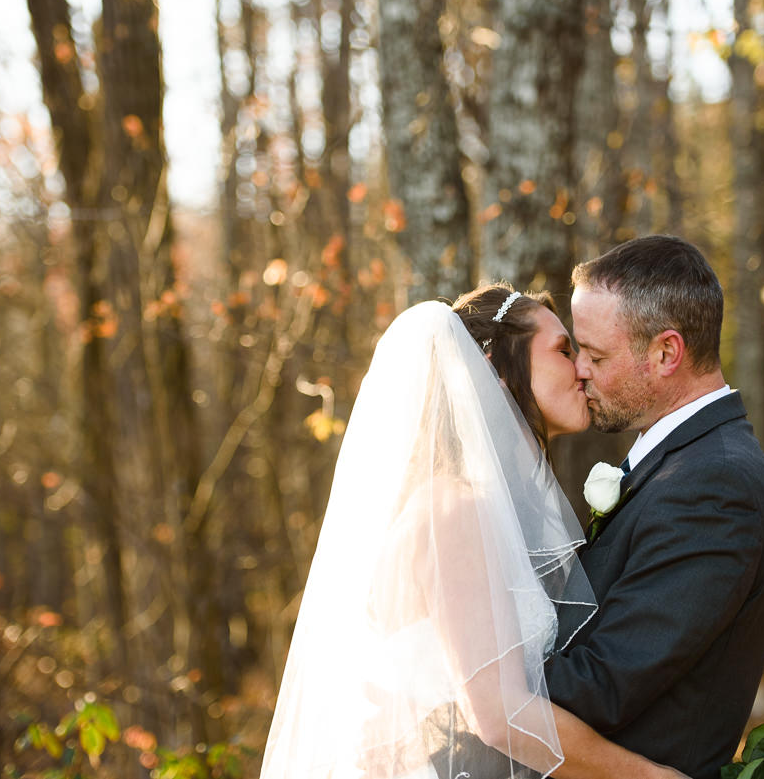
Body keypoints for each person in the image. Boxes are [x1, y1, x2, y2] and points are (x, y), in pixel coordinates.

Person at [259, 284, 684, 779]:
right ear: (496, 371)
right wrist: (650, 777)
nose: (583, 369)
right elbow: (499, 713)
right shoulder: (454, 510)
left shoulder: (473, 504)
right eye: (564, 351)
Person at [543, 236, 764, 779]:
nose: (579, 369)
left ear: (665, 353)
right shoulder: (681, 464)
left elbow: (601, 688)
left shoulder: (717, 487)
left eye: (596, 355)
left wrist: (470, 673)